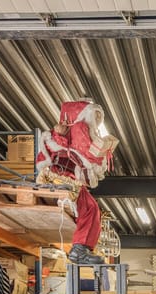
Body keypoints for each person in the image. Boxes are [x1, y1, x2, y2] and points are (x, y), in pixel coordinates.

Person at [35, 100, 119, 265]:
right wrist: (100, 154)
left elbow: (84, 160)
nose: (96, 122)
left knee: (92, 208)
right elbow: (83, 154)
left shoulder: (75, 132)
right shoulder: (78, 130)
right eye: (94, 117)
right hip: (59, 178)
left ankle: (82, 248)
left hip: (70, 180)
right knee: (90, 207)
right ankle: (79, 249)